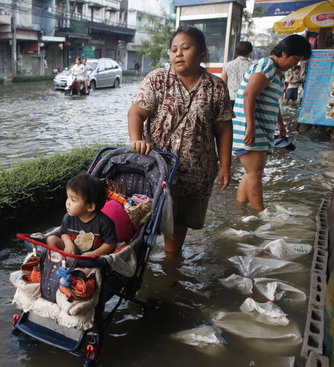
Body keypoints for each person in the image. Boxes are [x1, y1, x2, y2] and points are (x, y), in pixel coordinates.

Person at [127, 26, 234, 254]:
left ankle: (171, 267)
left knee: (176, 232)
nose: (178, 54)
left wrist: (225, 165)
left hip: (195, 173)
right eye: (174, 49)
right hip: (156, 169)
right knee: (141, 223)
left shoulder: (216, 87)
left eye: (186, 48)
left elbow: (223, 128)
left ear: (202, 53)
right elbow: (136, 113)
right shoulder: (157, 79)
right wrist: (136, 140)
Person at [233, 35, 311, 212]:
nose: (295, 64)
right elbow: (249, 94)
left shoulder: (278, 72)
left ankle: (239, 213)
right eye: (295, 59)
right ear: (284, 52)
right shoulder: (266, 65)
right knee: (255, 173)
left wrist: (281, 124)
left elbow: (272, 101)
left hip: (262, 127)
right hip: (252, 127)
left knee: (251, 172)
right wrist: (250, 127)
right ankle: (260, 215)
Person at [47, 173, 117, 264]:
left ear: (90, 207)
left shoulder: (104, 222)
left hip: (92, 256)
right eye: (68, 197)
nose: (67, 203)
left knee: (93, 267)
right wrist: (68, 244)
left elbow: (110, 244)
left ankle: (79, 273)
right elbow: (64, 233)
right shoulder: (68, 217)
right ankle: (60, 262)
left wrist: (93, 254)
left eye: (73, 200)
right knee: (51, 239)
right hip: (73, 250)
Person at [221, 41, 253, 108]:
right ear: (250, 52)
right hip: (246, 99)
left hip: (231, 98)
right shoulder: (253, 66)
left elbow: (222, 84)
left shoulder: (228, 65)